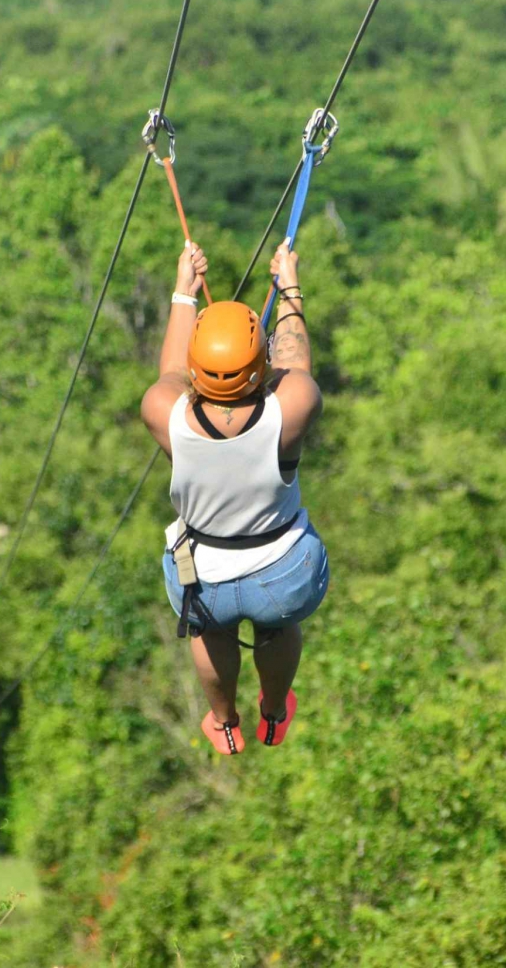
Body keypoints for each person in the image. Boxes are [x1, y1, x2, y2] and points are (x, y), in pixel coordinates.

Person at [140, 238, 330, 754]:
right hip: (283, 573)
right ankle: (273, 710)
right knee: (277, 625)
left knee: (209, 631)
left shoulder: (164, 414)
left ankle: (225, 721)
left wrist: (185, 295)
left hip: (205, 577)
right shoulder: (290, 410)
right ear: (258, 366)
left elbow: (172, 376)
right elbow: (293, 359)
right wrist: (288, 286)